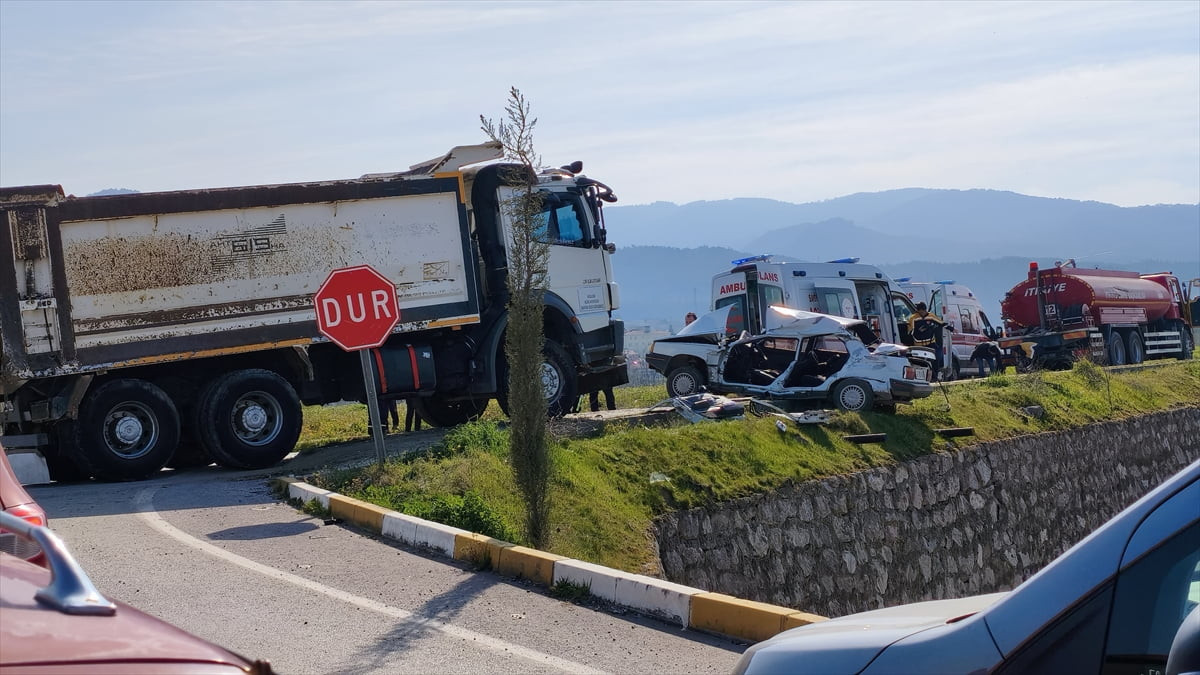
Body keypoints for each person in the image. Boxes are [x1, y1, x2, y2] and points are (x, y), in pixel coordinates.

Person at [907, 302, 949, 379]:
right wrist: (918, 331)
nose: (921, 313)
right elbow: (910, 332)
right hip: (918, 344)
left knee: (935, 358)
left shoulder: (931, 316)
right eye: (919, 311)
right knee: (919, 362)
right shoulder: (913, 318)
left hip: (930, 343)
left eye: (922, 311)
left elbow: (941, 323)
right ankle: (921, 377)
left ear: (925, 310)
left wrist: (951, 328)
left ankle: (934, 377)